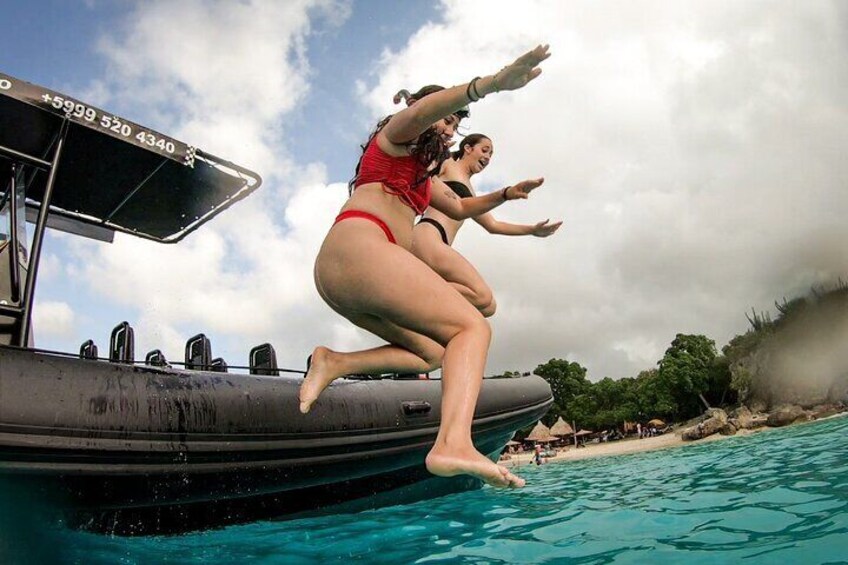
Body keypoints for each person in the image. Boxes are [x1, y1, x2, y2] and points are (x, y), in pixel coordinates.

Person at [300, 45, 551, 489]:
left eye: (457, 124)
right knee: (472, 327)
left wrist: (506, 193)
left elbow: (457, 204)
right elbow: (427, 111)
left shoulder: (423, 174)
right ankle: (453, 442)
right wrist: (489, 84)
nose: (452, 128)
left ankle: (334, 361)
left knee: (433, 351)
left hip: (345, 271)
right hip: (361, 247)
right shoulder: (396, 135)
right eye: (450, 119)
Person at [412, 133, 562, 317]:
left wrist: (532, 230)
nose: (488, 157)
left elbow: (493, 225)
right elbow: (422, 170)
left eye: (491, 154)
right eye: (484, 150)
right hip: (428, 234)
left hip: (440, 243)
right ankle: (407, 294)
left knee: (487, 307)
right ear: (467, 148)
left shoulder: (471, 194)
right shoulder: (447, 162)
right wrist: (434, 149)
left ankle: (418, 307)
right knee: (481, 295)